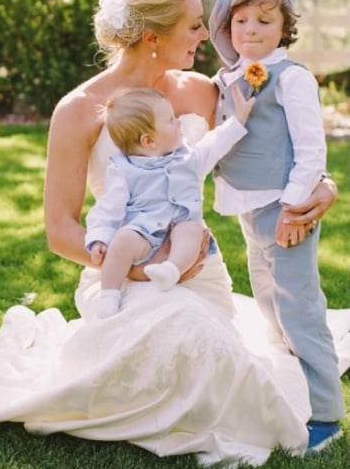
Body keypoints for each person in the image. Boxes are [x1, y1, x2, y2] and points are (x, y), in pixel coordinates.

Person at [0, 0, 349, 468]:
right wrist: (130, 269)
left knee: (201, 337)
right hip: (116, 271)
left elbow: (263, 150)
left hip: (197, 267)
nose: (208, 35)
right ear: (154, 37)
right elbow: (61, 231)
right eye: (195, 25)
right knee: (174, 328)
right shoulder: (79, 110)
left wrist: (322, 187)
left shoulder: (203, 91)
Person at [208, 0, 345, 453]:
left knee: (299, 305)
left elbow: (310, 150)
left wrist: (293, 208)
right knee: (265, 295)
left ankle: (327, 414)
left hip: (282, 207)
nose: (249, 30)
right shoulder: (226, 78)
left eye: (264, 21)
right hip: (248, 206)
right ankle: (292, 378)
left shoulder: (292, 77)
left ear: (284, 28)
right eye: (240, 20)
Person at [86, 85, 254, 317]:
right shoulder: (124, 170)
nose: (179, 123)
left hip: (181, 223)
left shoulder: (189, 158)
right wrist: (98, 238)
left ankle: (171, 269)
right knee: (122, 241)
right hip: (143, 230)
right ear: (149, 141)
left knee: (191, 231)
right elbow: (107, 208)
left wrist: (239, 118)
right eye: (171, 120)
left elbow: (216, 143)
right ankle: (110, 295)